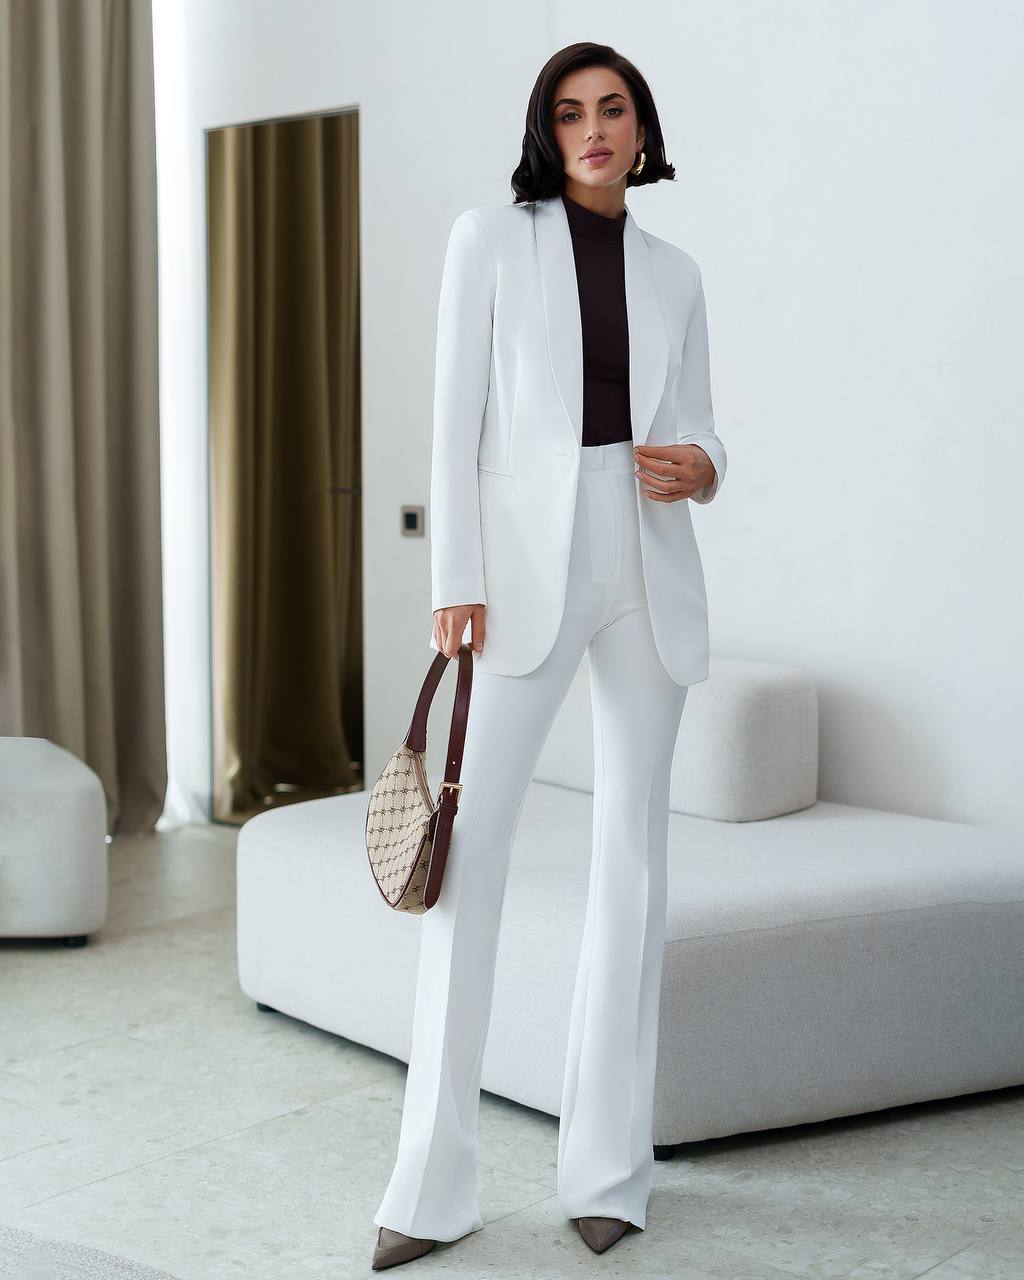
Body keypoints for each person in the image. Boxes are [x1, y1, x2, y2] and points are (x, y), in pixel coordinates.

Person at [371, 40, 727, 1271]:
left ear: (640, 129)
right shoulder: (492, 237)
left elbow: (697, 424)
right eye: (569, 112)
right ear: (547, 129)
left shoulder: (676, 271)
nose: (592, 128)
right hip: (521, 571)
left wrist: (706, 466)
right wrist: (452, 579)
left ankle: (608, 1173)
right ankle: (431, 1182)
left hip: (645, 557)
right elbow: (450, 416)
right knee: (468, 852)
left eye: (611, 109)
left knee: (633, 856)